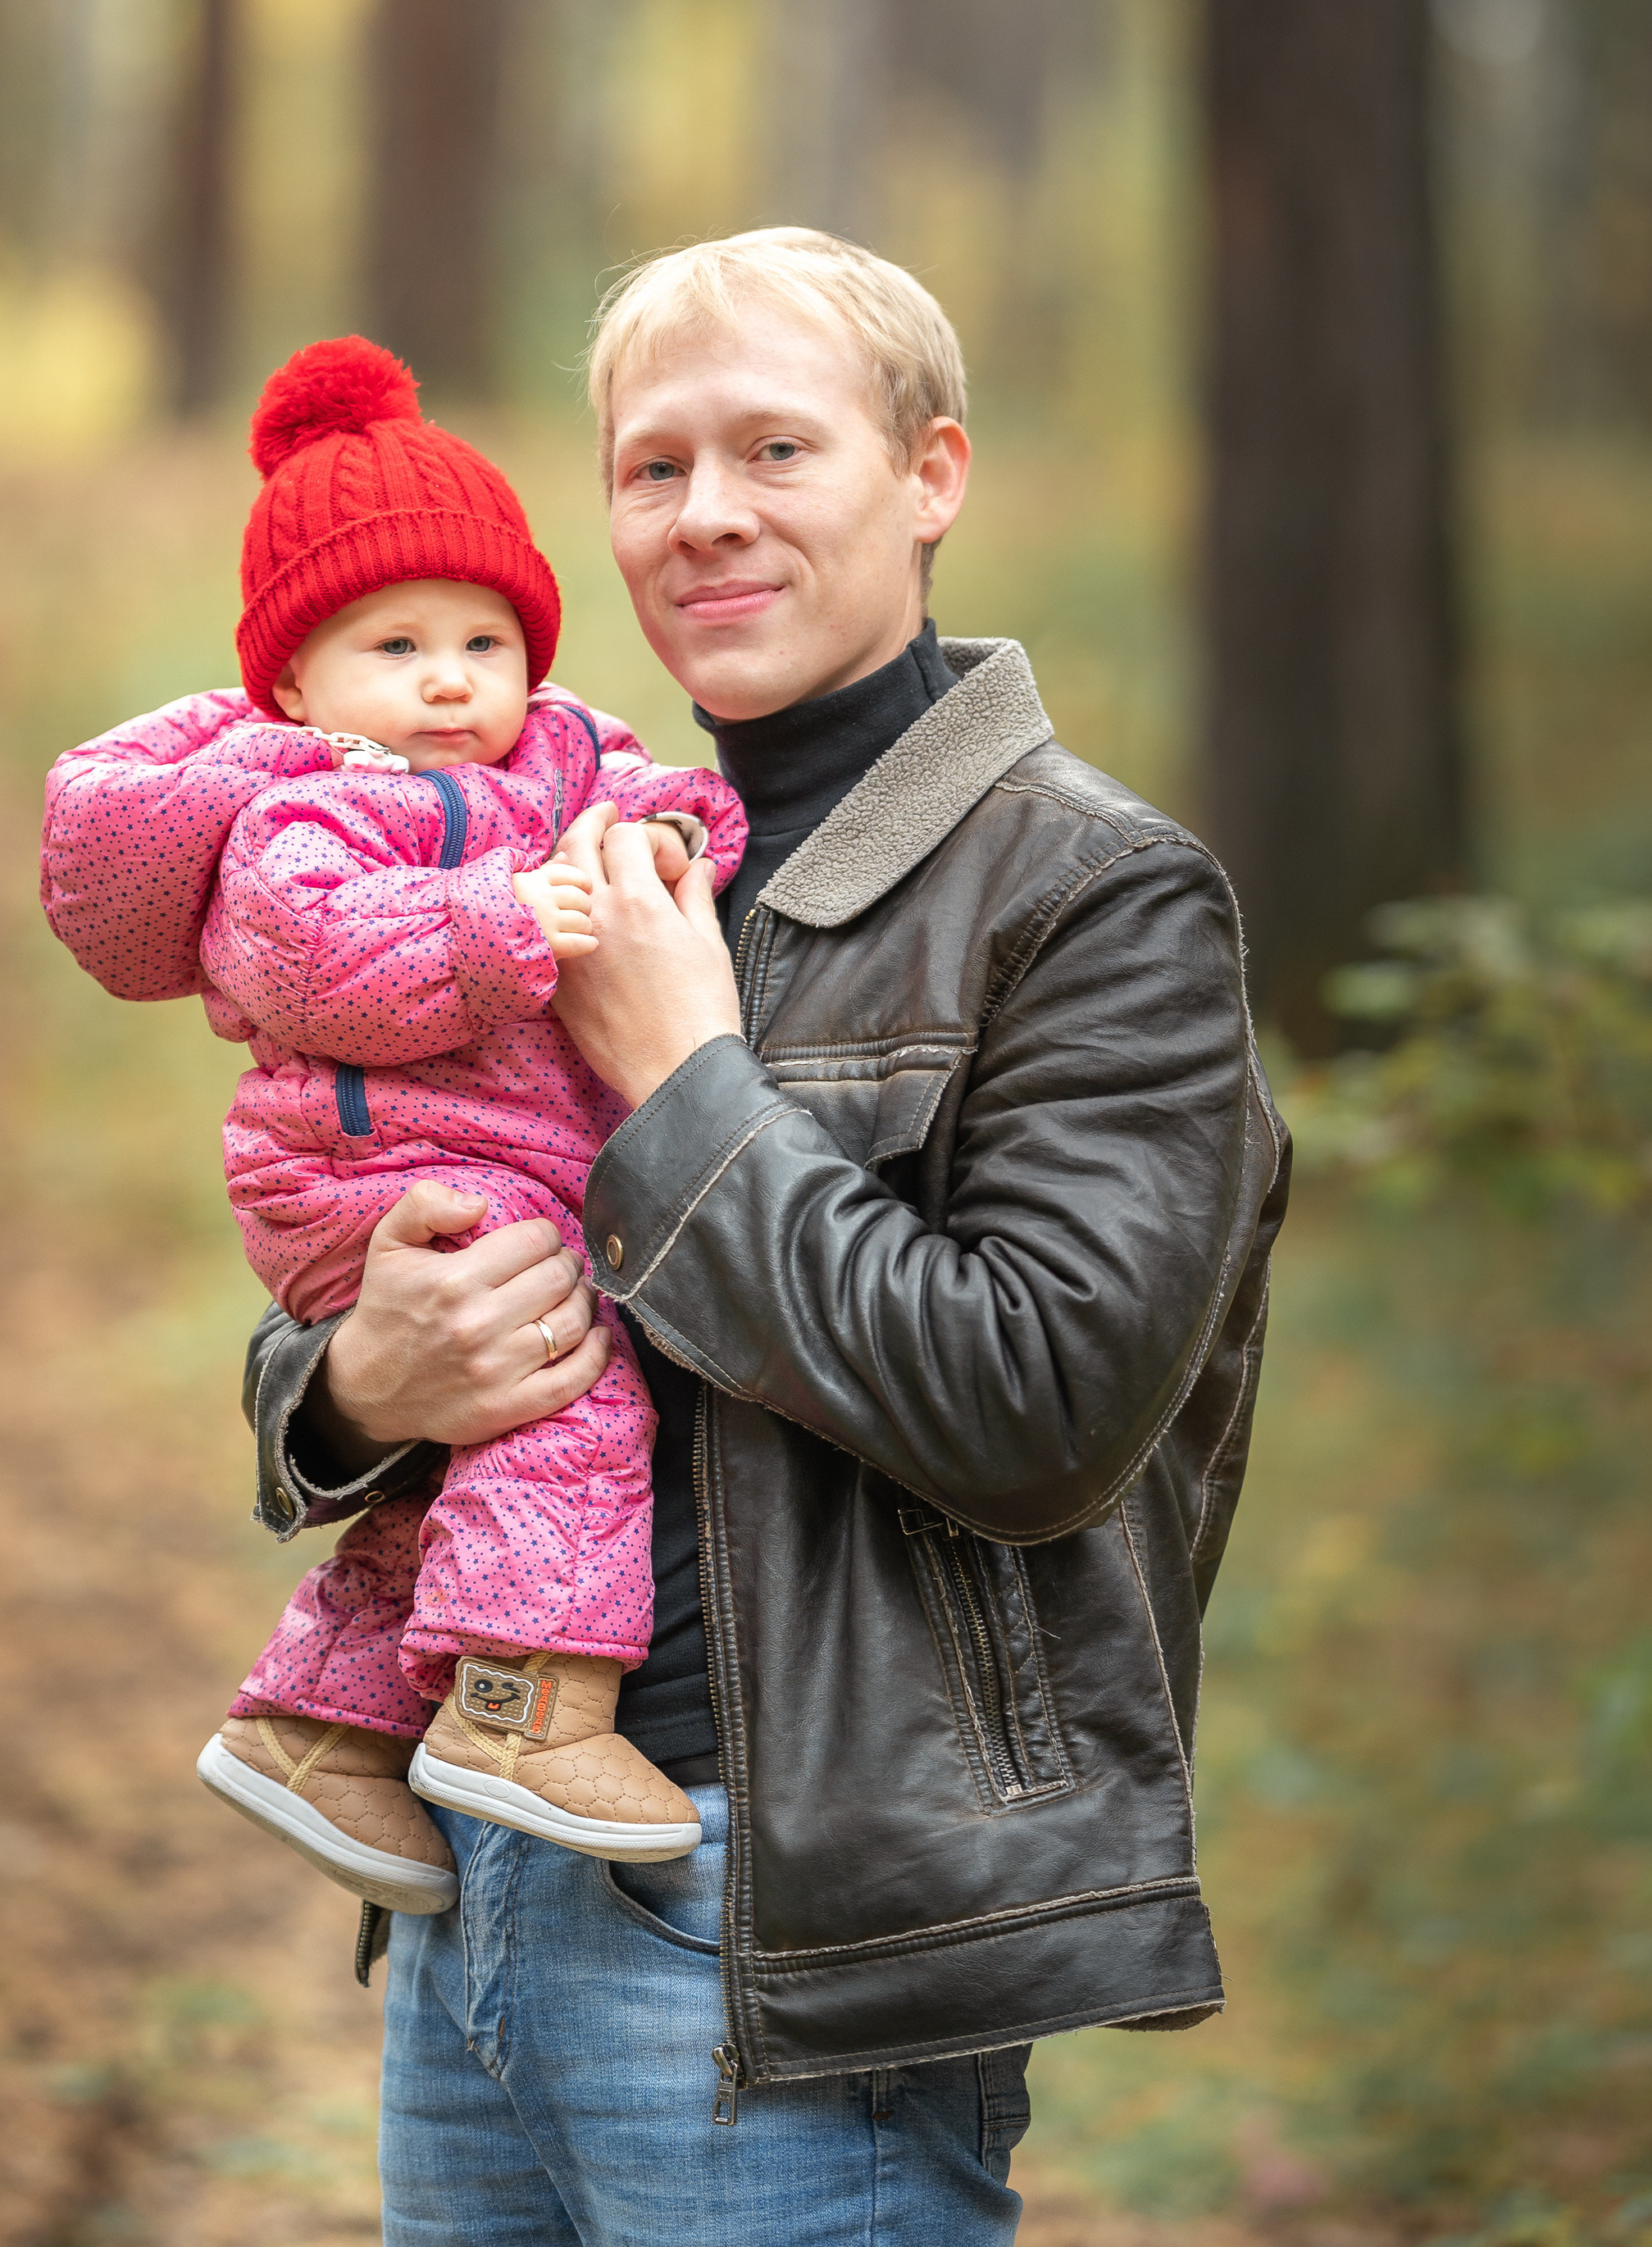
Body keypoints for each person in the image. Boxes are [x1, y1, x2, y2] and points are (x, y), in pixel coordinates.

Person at [242, 230, 1290, 2246]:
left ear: (929, 474)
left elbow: (1038, 1408)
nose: (704, 514)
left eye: (775, 449)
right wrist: (357, 1379)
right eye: (651, 468)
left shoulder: (1094, 898)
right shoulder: (592, 849)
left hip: (779, 1922)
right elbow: (392, 1255)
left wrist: (686, 1086)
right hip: (478, 1844)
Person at [41, 338, 747, 1921]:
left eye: (485, 640)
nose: (449, 680)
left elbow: (657, 787)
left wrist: (677, 831)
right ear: (294, 685)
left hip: (488, 1147)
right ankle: (528, 1710)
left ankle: (318, 1729)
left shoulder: (549, 752)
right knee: (566, 1376)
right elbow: (316, 962)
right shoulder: (307, 809)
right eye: (397, 644)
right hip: (359, 1163)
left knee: (461, 1457)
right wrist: (516, 919)